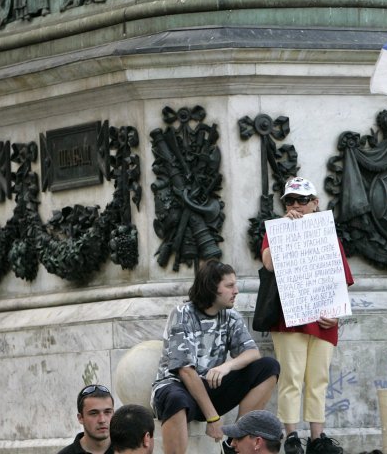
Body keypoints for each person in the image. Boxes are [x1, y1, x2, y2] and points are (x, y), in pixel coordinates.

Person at [261, 176, 355, 454]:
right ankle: (291, 435)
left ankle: (317, 437)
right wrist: (287, 232)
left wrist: (337, 315)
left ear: (315, 203)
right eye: (290, 200)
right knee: (291, 377)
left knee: (318, 379)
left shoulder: (328, 234)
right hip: (289, 319)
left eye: (303, 200)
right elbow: (268, 263)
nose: (296, 205)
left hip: (324, 320)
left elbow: (341, 280)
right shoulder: (277, 230)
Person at [151, 259, 280, 454]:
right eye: (229, 286)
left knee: (268, 367)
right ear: (211, 288)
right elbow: (185, 371)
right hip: (177, 387)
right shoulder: (182, 314)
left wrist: (227, 366)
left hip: (211, 385)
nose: (236, 290)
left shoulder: (230, 316)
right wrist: (212, 418)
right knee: (176, 399)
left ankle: (234, 443)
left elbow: (253, 353)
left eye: (235, 285)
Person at [58, 384, 115, 454]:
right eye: (94, 413)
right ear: (80, 418)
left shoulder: (128, 450)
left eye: (107, 412)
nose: (102, 420)